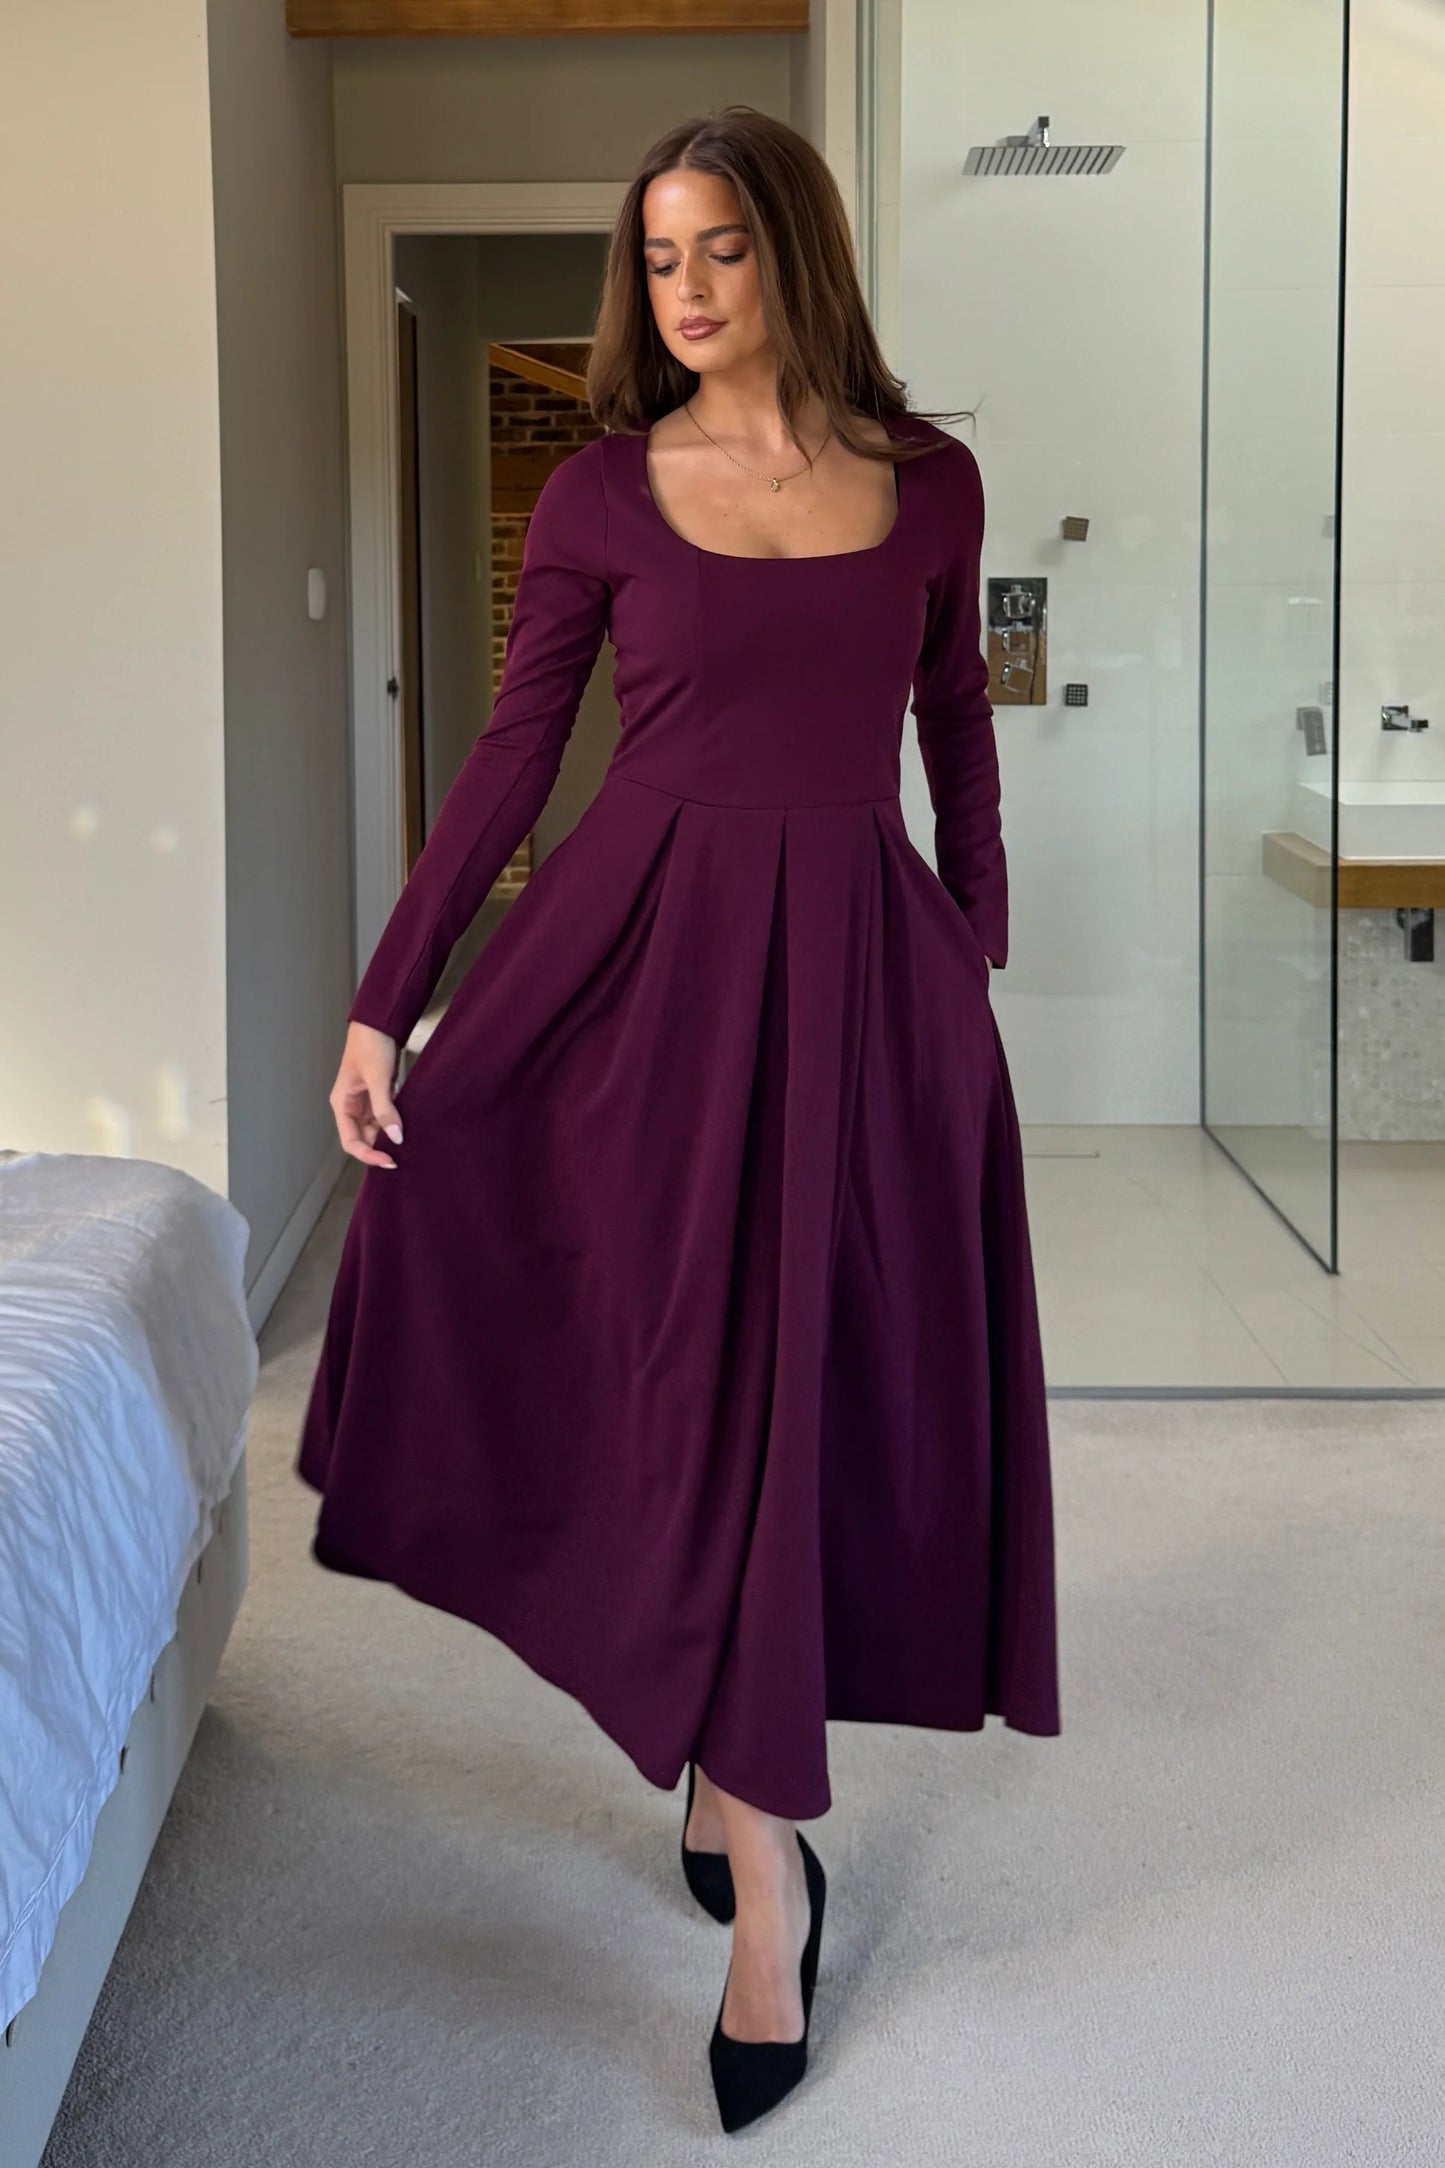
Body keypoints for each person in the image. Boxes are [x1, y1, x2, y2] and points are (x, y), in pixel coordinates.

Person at [296, 102, 1060, 2136]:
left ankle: (756, 1853)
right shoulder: (608, 498)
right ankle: (748, 1836)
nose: (690, 289)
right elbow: (514, 761)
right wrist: (393, 995)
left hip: (866, 995)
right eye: (659, 258)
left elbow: (952, 730)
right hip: (638, 975)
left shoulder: (931, 487)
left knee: (804, 1407)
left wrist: (968, 963)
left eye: (722, 247)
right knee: (668, 1390)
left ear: (795, 254)